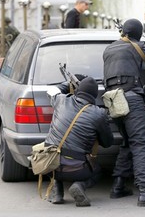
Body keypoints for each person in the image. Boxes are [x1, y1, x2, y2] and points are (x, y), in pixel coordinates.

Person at [103, 18, 145, 207]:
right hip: (132, 99)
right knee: (140, 143)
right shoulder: (140, 47)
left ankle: (118, 186)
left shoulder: (108, 49)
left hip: (113, 99)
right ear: (139, 34)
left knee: (128, 141)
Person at [44, 77, 114, 207]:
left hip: (47, 165)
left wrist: (68, 83)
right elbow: (107, 143)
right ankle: (79, 185)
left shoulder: (61, 100)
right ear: (94, 95)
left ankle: (57, 190)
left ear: (78, 90)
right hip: (77, 170)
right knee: (98, 170)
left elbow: (52, 90)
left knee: (55, 154)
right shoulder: (98, 114)